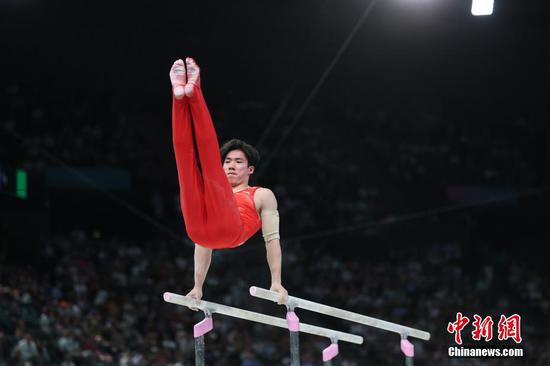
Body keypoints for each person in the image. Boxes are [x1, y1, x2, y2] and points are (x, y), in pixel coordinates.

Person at [170, 58, 288, 304]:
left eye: (238, 162)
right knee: (184, 164)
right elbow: (203, 244)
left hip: (230, 231)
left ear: (250, 169)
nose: (231, 165)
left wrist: (276, 281)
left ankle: (195, 91)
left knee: (206, 162)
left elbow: (272, 239)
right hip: (199, 231)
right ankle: (180, 94)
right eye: (228, 161)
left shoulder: (261, 194)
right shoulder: (215, 186)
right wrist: (197, 286)